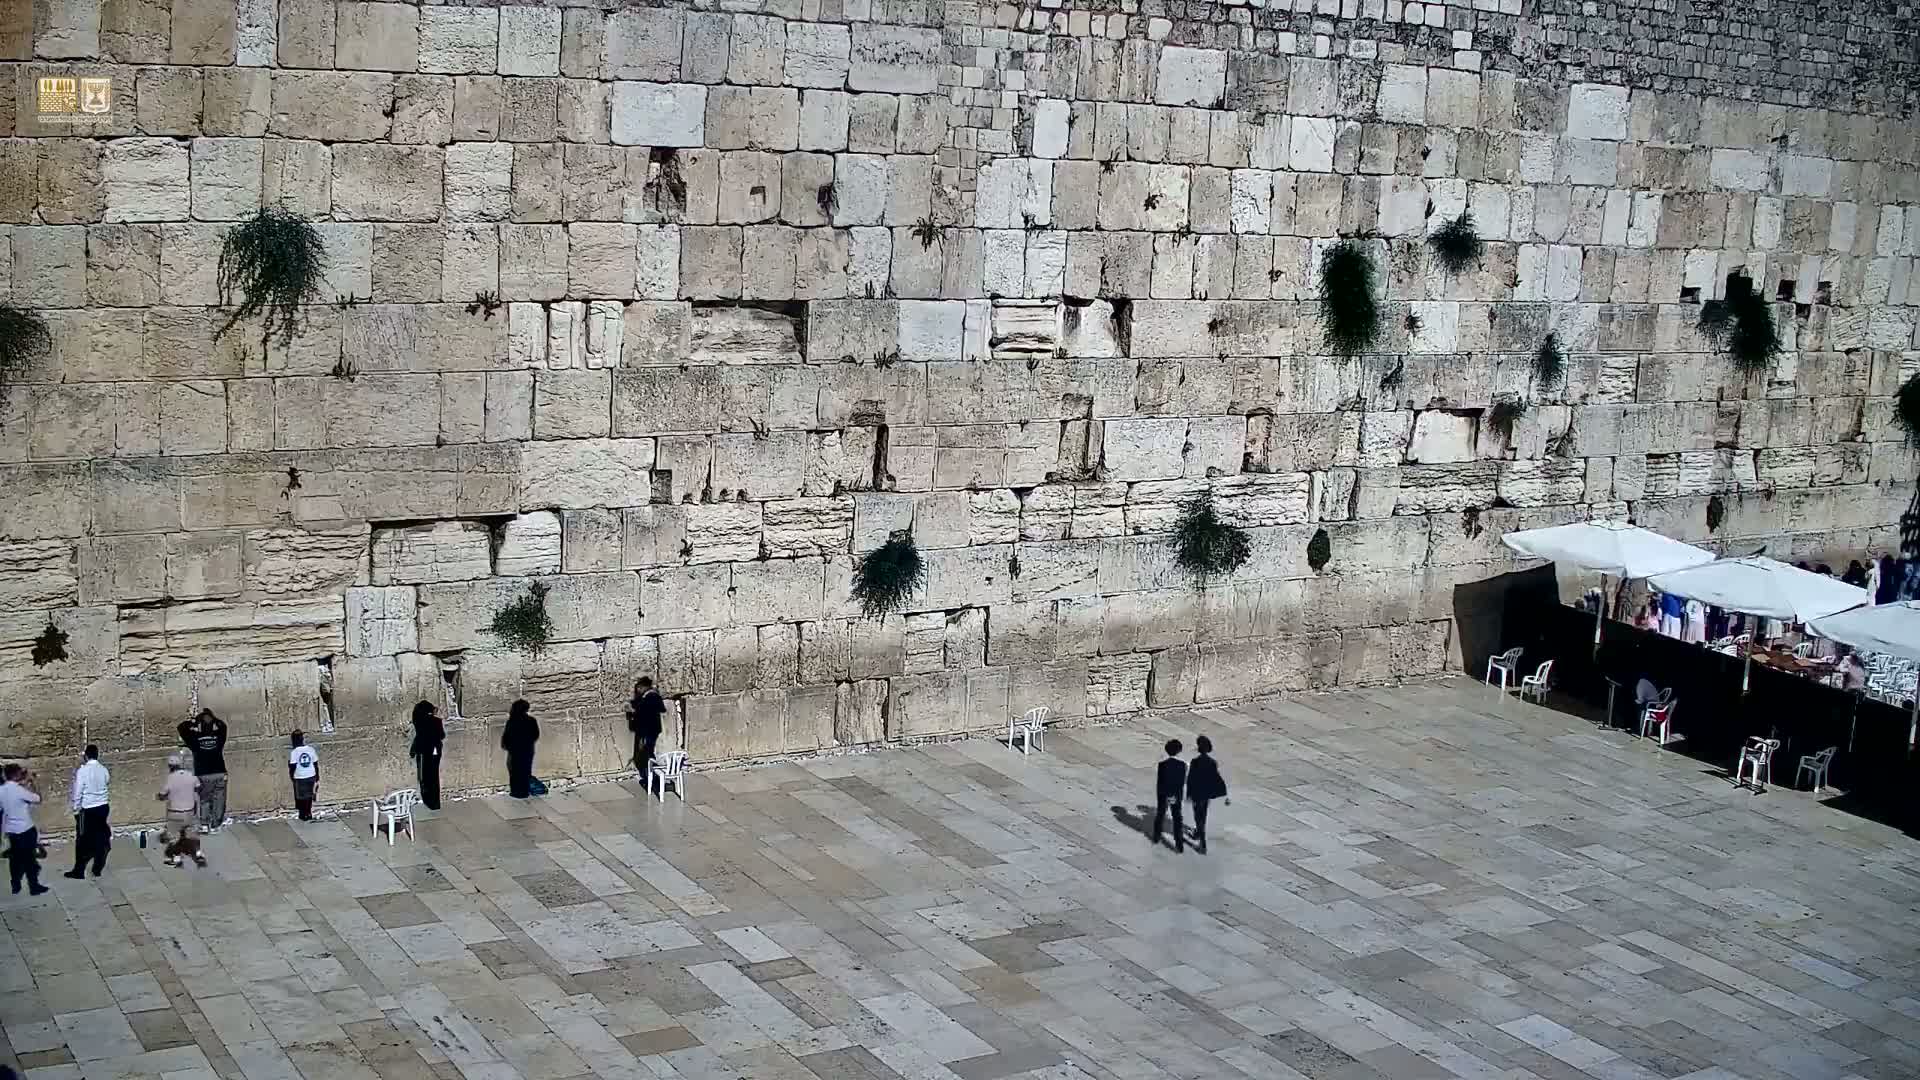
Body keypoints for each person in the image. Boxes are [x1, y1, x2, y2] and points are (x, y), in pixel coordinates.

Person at [0, 764, 49, 895]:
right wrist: (34, 782)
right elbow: (38, 799)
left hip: (12, 831)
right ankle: (34, 886)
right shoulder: (19, 791)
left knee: (15, 859)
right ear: (16, 775)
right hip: (26, 829)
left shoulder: (2, 790)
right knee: (29, 859)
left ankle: (15, 884)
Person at [178, 709, 228, 833]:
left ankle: (205, 823)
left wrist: (193, 723)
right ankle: (216, 824)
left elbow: (181, 727)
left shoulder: (195, 738)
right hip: (220, 772)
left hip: (203, 773)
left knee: (205, 799)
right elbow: (223, 726)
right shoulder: (218, 737)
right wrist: (213, 717)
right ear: (212, 725)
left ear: (200, 726)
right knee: (219, 799)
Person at [65, 745, 110, 879]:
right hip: (103, 807)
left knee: (82, 839)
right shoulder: (103, 769)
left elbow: (78, 792)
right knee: (100, 837)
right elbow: (107, 782)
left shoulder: (82, 771)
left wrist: (76, 808)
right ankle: (97, 868)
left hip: (88, 809)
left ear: (86, 756)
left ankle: (78, 871)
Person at [157, 753, 205, 868]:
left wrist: (160, 797)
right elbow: (199, 787)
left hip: (175, 813)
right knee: (192, 834)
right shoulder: (190, 775)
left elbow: (162, 794)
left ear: (170, 766)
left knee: (174, 837)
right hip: (189, 811)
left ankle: (176, 858)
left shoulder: (171, 778)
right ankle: (198, 853)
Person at [1185, 737, 1230, 856]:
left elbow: (1191, 779)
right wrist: (1223, 792)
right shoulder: (1212, 762)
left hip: (1197, 792)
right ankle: (1199, 833)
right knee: (1203, 814)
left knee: (1197, 814)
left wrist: (1189, 793)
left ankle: (1202, 840)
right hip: (1206, 793)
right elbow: (1216, 777)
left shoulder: (1195, 761)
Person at [1150, 739, 1187, 853]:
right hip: (1175, 795)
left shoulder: (1162, 765)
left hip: (1163, 794)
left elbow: (1161, 781)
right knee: (1177, 818)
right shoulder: (1182, 765)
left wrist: (1164, 794)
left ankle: (1156, 837)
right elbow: (1182, 781)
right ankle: (1179, 844)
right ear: (1179, 751)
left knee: (1160, 815)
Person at [410, 700, 444, 810]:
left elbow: (419, 736)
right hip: (436, 750)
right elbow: (442, 735)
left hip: (425, 751)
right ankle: (435, 802)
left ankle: (429, 800)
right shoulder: (437, 721)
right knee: (434, 776)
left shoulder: (420, 721)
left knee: (426, 776)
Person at [502, 700, 539, 799]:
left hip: (516, 750)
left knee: (515, 771)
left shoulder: (512, 721)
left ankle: (517, 792)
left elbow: (507, 737)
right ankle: (524, 791)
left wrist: (509, 746)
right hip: (528, 749)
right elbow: (535, 735)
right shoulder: (531, 720)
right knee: (526, 770)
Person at [629, 677, 665, 776]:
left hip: (649, 729)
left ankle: (652, 772)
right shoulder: (649, 696)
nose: (637, 690)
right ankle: (650, 770)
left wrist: (634, 711)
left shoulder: (651, 696)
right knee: (648, 749)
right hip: (650, 729)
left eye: (639, 688)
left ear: (644, 687)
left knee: (647, 750)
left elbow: (645, 712)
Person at [288, 731, 320, 821]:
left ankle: (303, 814)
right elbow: (315, 764)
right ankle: (309, 812)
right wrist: (317, 777)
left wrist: (292, 776)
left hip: (300, 776)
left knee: (302, 797)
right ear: (302, 739)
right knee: (309, 795)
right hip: (311, 774)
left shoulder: (294, 752)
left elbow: (292, 766)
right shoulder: (310, 749)